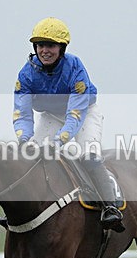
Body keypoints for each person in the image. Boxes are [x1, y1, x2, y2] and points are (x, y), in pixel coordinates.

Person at [11, 17, 124, 232]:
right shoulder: (25, 74)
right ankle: (21, 210)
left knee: (89, 157)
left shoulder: (75, 67)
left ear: (61, 48)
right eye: (41, 45)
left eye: (51, 45)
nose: (45, 51)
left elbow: (75, 115)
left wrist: (57, 142)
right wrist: (24, 139)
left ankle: (110, 207)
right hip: (51, 115)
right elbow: (22, 113)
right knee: (30, 156)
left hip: (83, 113)